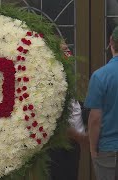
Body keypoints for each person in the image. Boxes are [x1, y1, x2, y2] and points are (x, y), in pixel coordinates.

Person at [85, 24, 118, 180]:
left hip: (109, 152)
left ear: (111, 42)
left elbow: (95, 118)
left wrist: (93, 149)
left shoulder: (100, 76)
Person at [48, 42, 89, 180]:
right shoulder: (52, 79)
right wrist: (80, 137)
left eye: (68, 49)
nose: (69, 54)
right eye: (64, 50)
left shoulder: (67, 77)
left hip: (72, 144)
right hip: (60, 145)